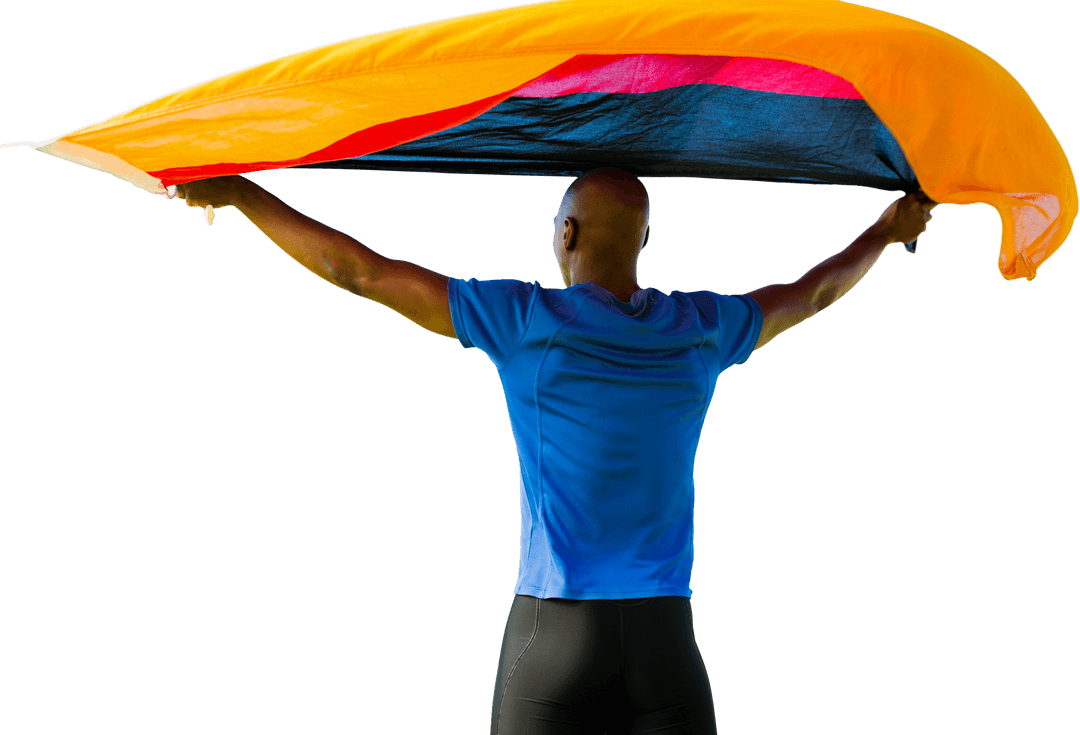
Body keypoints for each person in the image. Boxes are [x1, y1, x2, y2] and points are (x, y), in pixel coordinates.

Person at [177, 168, 937, 735]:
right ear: (644, 240)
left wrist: (243, 194)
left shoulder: (524, 318)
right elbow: (815, 292)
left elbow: (361, 273)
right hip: (664, 641)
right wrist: (884, 229)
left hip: (554, 638)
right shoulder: (701, 327)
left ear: (566, 234)